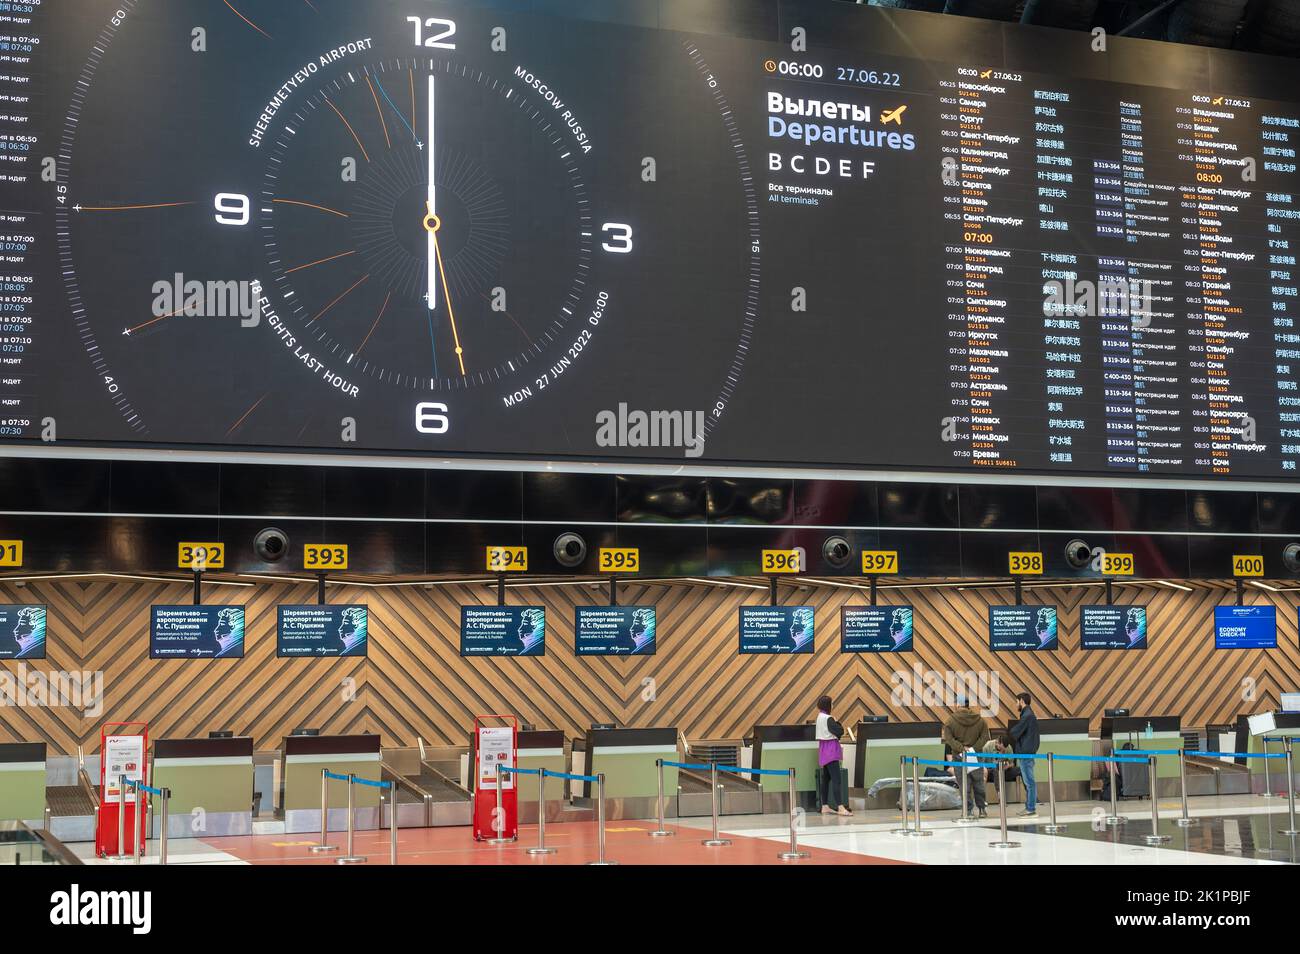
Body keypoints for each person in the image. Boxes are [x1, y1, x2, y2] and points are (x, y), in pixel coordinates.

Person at [815, 695, 851, 816]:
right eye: (832, 703)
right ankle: (840, 807)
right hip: (831, 749)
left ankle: (824, 805)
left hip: (823, 749)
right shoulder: (829, 718)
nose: (833, 705)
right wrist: (838, 722)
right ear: (828, 705)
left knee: (826, 779)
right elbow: (840, 731)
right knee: (836, 779)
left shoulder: (819, 717)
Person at [1008, 691, 1041, 817]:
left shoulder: (1027, 716)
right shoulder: (1029, 715)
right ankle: (1029, 807)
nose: (1016, 704)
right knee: (1028, 781)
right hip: (1027, 753)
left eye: (1016, 702)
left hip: (1026, 754)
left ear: (1021, 701)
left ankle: (1031, 808)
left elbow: (1014, 732)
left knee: (1029, 782)